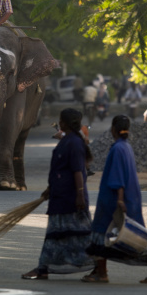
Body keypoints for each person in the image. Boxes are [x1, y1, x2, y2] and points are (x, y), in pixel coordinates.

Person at [82, 114, 147, 283]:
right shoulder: (126, 147)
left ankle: (102, 273)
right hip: (126, 198)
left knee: (106, 235)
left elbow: (118, 177)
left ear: (113, 129)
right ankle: (102, 270)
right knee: (128, 236)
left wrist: (120, 200)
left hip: (113, 201)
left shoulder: (118, 149)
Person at [22, 108, 94, 280]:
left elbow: (77, 171)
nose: (59, 122)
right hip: (60, 197)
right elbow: (61, 170)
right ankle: (43, 268)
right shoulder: (69, 140)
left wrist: (79, 195)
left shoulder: (74, 143)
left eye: (60, 120)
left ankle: (98, 266)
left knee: (79, 235)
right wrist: (50, 188)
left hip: (70, 199)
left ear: (63, 123)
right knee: (57, 236)